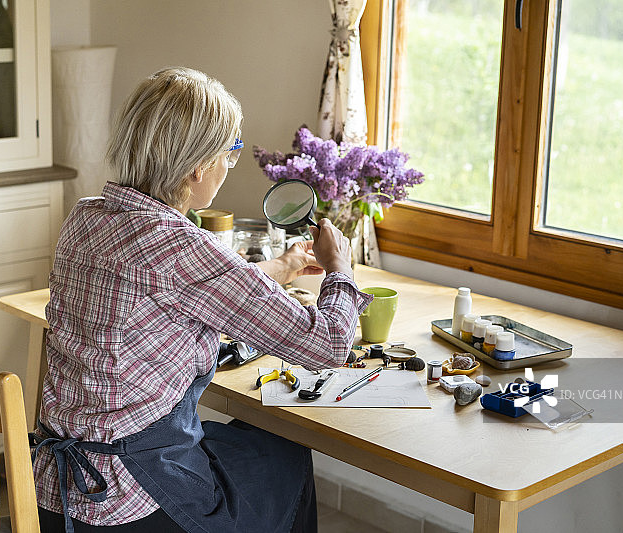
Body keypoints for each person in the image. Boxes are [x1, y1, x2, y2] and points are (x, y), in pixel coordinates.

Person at [32, 66, 372, 533]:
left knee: (257, 447)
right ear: (197, 166)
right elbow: (329, 345)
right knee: (285, 456)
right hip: (128, 499)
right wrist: (341, 270)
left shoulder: (87, 218)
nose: (228, 167)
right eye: (230, 152)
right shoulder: (184, 246)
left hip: (58, 489)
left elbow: (184, 291)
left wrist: (284, 266)